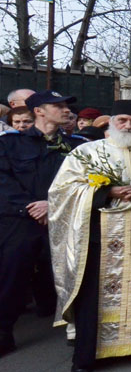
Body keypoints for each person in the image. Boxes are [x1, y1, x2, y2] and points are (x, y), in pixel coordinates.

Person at [49, 100, 131, 372]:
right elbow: (62, 192)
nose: (128, 126)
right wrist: (106, 192)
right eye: (122, 119)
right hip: (100, 238)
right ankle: (88, 355)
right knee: (95, 293)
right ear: (112, 121)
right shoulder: (86, 151)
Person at [0, 90, 86, 356]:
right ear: (39, 111)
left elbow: (84, 183)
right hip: (21, 221)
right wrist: (33, 208)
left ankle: (79, 330)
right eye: (58, 105)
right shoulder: (9, 145)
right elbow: (3, 182)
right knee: (11, 276)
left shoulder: (77, 147)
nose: (66, 110)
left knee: (73, 272)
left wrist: (54, 207)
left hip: (64, 219)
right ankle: (3, 331)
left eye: (66, 105)